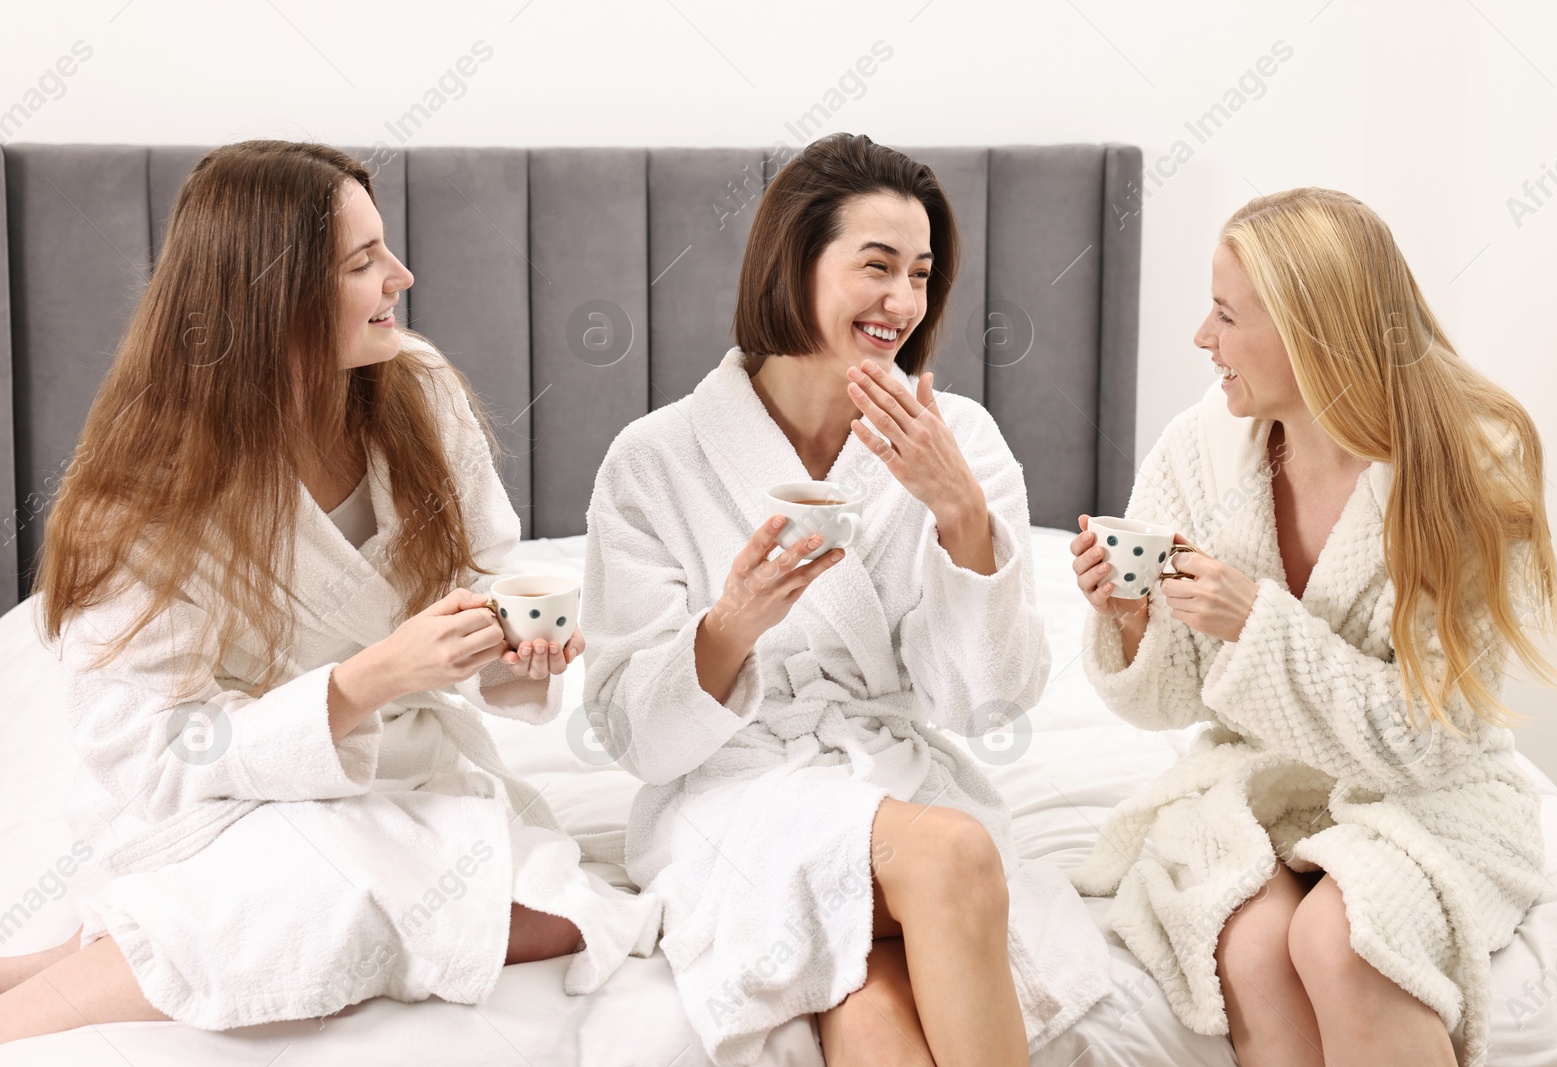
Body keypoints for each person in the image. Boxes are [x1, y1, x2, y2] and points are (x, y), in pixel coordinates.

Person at [0, 141, 659, 1043]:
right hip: (228, 808)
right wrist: (363, 685)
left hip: (407, 778)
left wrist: (507, 647)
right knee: (321, 909)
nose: (402, 274)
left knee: (573, 918)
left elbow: (479, 574)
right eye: (363, 262)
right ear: (272, 296)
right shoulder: (150, 489)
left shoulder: (416, 394)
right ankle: (38, 1003)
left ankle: (69, 956)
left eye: (383, 249)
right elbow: (149, 750)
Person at [581, 133, 1111, 1067]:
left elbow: (983, 705)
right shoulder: (655, 460)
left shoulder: (963, 445)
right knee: (952, 855)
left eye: (920, 274)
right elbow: (634, 734)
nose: (902, 303)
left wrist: (961, 518)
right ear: (794, 261)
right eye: (876, 267)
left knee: (871, 1020)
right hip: (733, 792)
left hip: (889, 782)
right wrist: (735, 621)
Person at [1070, 187, 1557, 1067]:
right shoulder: (1198, 450)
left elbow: (1428, 739)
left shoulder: (1466, 471)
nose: (1200, 339)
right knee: (1255, 942)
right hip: (1259, 782)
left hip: (1433, 794)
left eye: (1225, 314)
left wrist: (1254, 620)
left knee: (1344, 936)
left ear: (1310, 330)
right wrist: (1135, 615)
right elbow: (1166, 704)